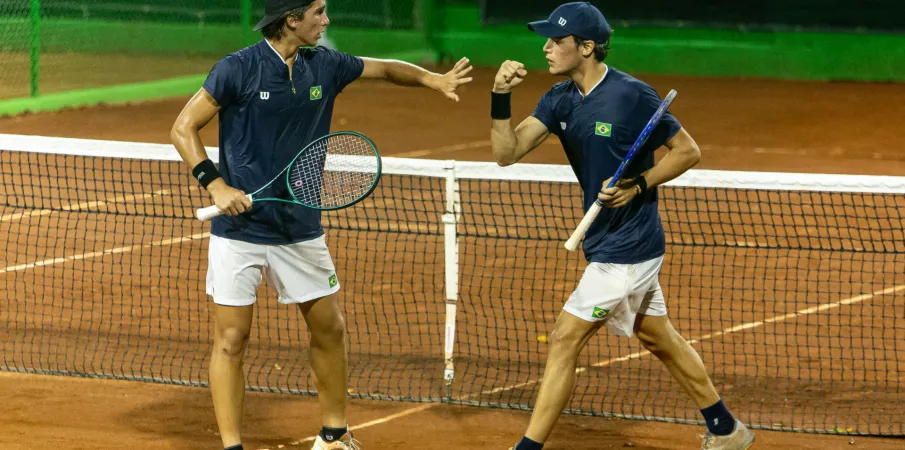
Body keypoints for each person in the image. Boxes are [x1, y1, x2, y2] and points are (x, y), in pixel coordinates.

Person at [169, 1, 473, 449]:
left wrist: (432, 79)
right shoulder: (237, 69)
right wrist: (214, 185)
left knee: (329, 327)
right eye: (319, 12)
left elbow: (386, 69)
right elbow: (183, 127)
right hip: (239, 232)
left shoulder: (325, 65)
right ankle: (232, 445)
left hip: (299, 227)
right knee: (231, 339)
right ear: (292, 19)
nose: (326, 20)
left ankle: (334, 435)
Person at [488, 3, 755, 450]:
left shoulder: (633, 95)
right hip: (604, 240)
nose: (546, 47)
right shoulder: (559, 99)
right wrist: (499, 96)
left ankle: (527, 448)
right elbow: (506, 152)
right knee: (657, 335)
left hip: (630, 246)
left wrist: (638, 183)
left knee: (564, 339)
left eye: (557, 40)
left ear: (586, 46)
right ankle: (727, 429)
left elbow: (687, 151)